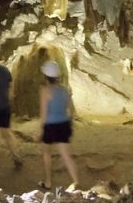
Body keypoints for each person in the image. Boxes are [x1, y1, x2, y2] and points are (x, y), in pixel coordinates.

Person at [38, 61, 79, 190]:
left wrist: (40, 130)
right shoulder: (64, 90)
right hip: (63, 125)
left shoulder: (45, 91)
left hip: (50, 126)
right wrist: (68, 121)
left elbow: (44, 114)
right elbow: (72, 110)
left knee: (46, 154)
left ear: (45, 76)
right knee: (66, 156)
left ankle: (48, 182)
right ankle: (76, 182)